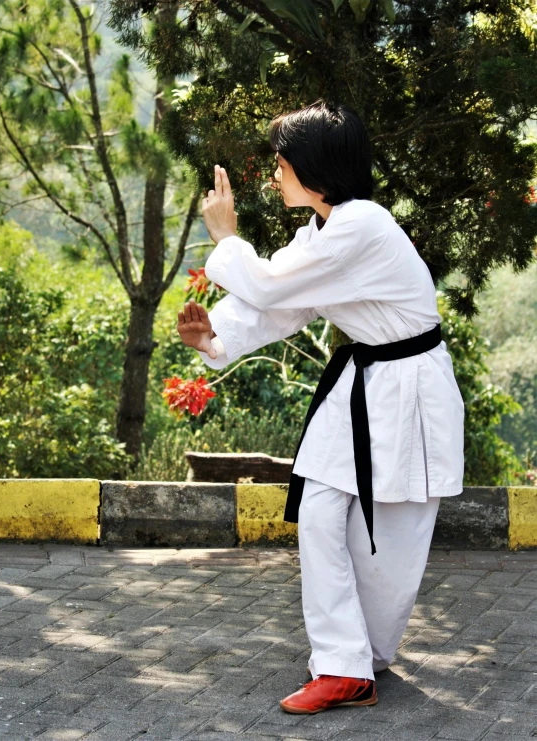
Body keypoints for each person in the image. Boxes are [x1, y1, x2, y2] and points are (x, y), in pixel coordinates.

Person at [177, 100, 464, 715]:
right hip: (363, 384)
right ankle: (342, 664)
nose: (274, 174)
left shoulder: (365, 225)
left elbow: (274, 285)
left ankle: (363, 660)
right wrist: (215, 340)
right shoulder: (325, 231)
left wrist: (227, 237)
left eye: (280, 162)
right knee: (319, 513)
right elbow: (285, 303)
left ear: (311, 166)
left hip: (407, 389)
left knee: (391, 534)